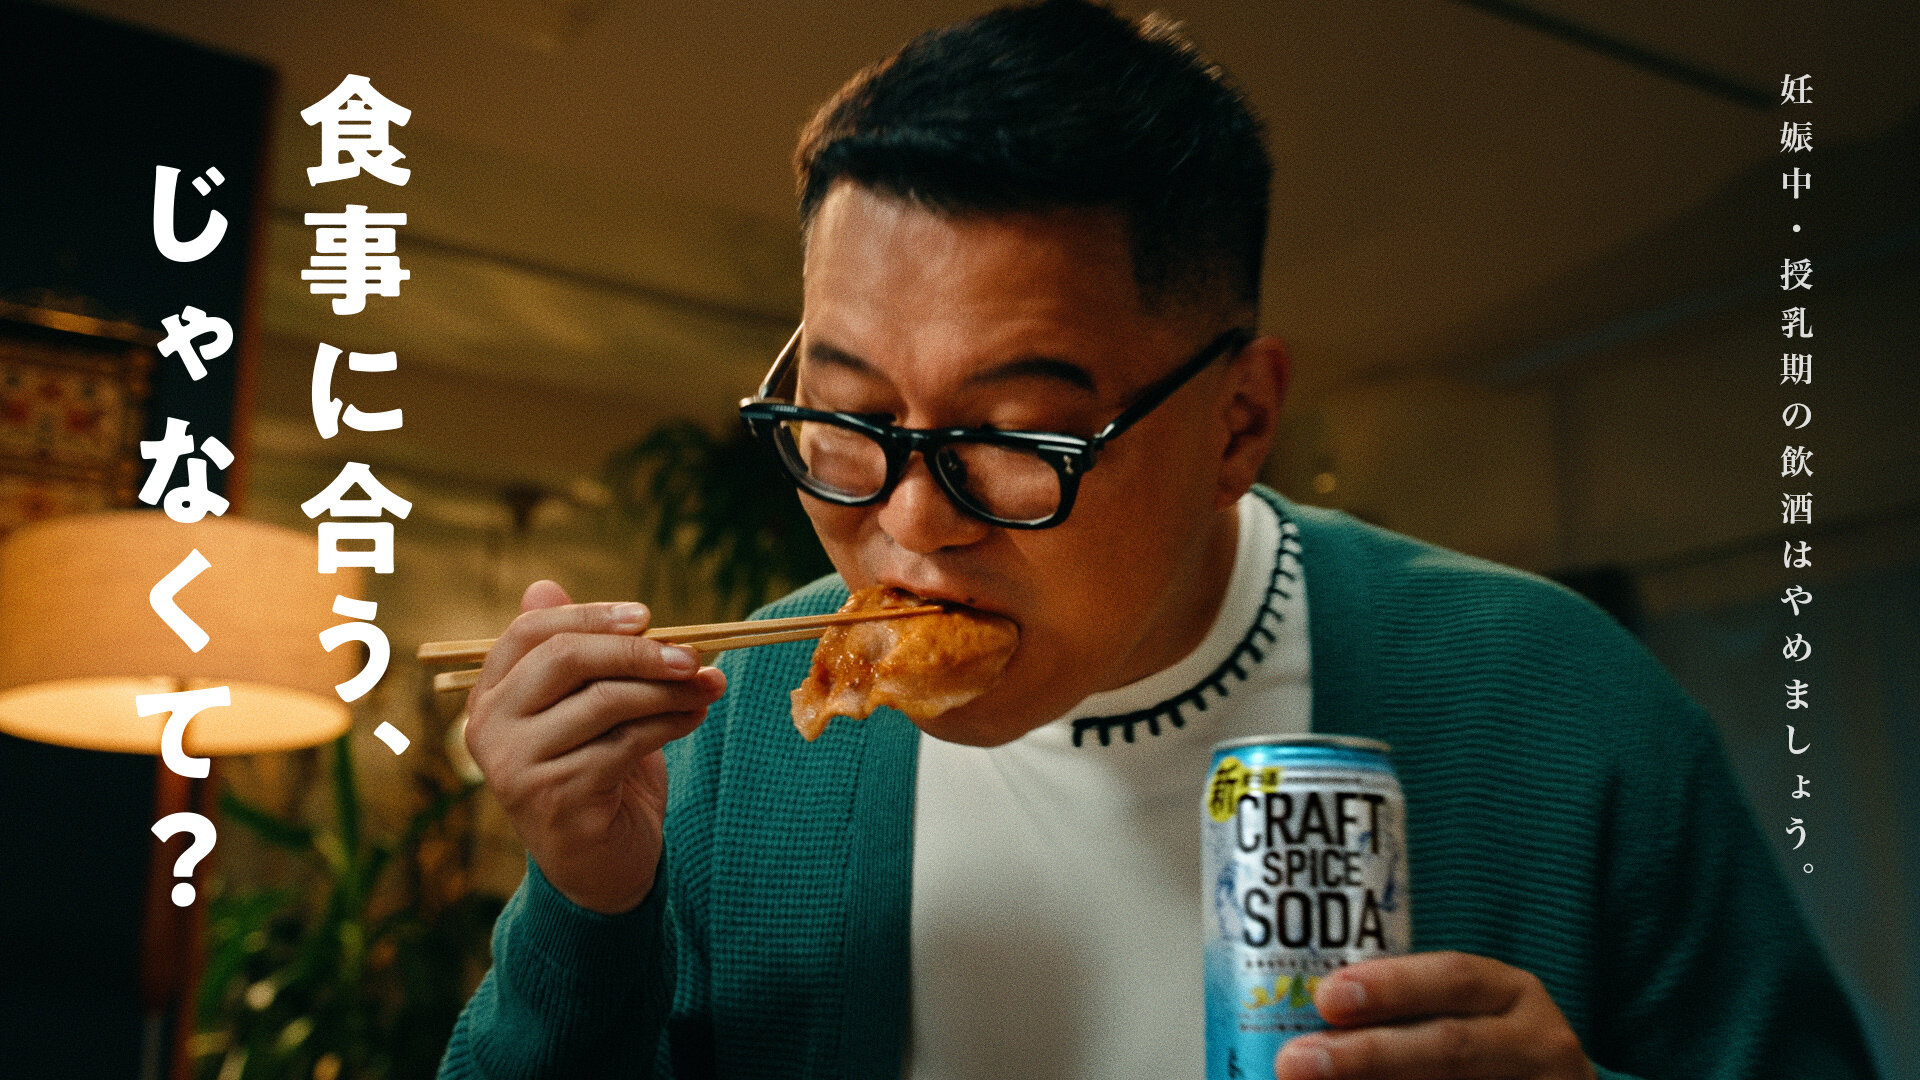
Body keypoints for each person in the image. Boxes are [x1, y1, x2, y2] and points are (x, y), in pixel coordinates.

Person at [438, 2, 1877, 1078]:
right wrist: (588, 905)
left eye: (1018, 436)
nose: (909, 522)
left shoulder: (1552, 702)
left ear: (1239, 423)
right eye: (849, 419)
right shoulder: (742, 735)